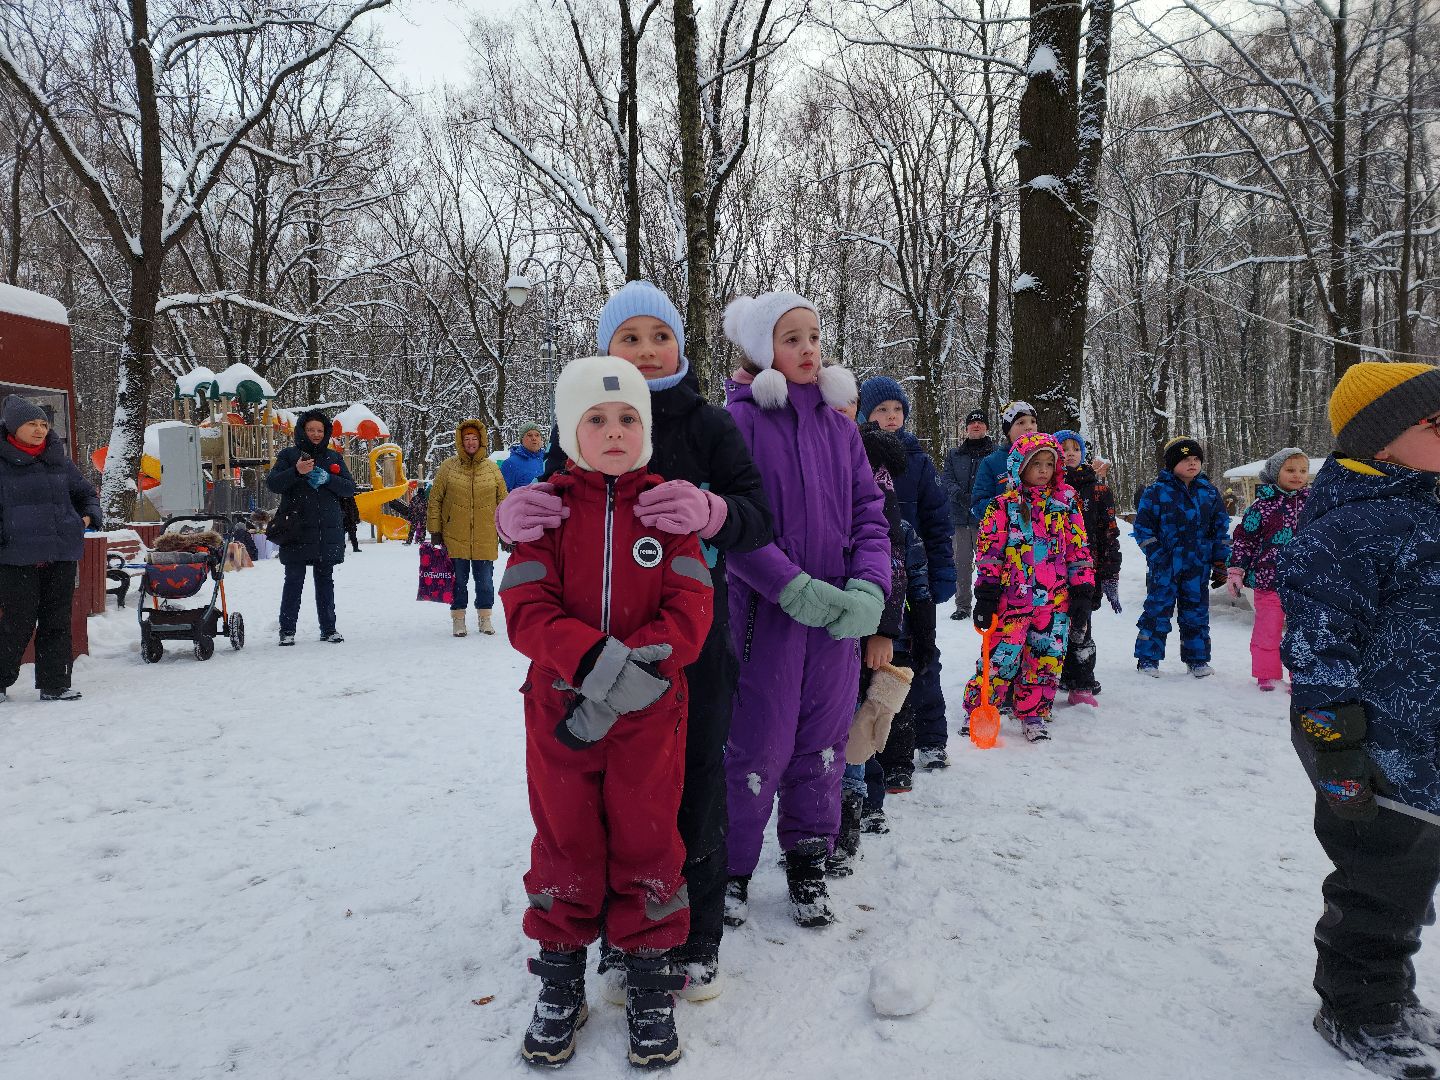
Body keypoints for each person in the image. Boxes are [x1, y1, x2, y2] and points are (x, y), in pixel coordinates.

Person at [500, 279, 773, 999]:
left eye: (661, 337)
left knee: (690, 789)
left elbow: (758, 514)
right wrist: (512, 520)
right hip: (584, 660)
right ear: (606, 349)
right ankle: (624, 942)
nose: (648, 352)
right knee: (602, 802)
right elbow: (553, 510)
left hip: (684, 644)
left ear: (681, 345)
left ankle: (695, 934)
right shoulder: (587, 412)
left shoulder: (711, 425)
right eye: (630, 339)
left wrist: (712, 511)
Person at [501, 354, 713, 1070]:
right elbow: (526, 609)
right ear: (571, 429)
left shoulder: (670, 513)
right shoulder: (544, 515)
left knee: (650, 839)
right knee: (565, 838)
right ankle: (560, 979)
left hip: (651, 715)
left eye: (628, 418)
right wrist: (590, 661)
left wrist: (635, 670)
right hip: (561, 715)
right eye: (596, 418)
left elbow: (691, 609)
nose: (614, 430)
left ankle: (651, 982)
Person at [1279, 362, 1440, 1079]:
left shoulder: (1430, 509)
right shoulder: (1345, 532)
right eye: (1435, 426)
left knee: (1412, 880)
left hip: (1428, 750)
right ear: (1381, 443)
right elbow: (1317, 656)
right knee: (1375, 885)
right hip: (1371, 752)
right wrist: (1337, 756)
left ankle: (1391, 992)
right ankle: (1355, 1007)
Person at [717, 291, 890, 930]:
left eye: (814, 336)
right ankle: (732, 870)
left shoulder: (841, 430)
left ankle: (808, 861)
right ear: (763, 350)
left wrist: (870, 589)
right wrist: (787, 586)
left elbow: (870, 517)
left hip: (837, 624)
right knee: (756, 746)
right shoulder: (736, 424)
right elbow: (729, 526)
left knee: (822, 743)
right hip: (764, 619)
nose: (809, 349)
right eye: (792, 338)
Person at [966, 433, 1094, 743]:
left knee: (1046, 658)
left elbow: (1079, 550)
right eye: (1035, 463)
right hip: (1012, 601)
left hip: (1053, 601)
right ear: (1018, 466)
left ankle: (1033, 712)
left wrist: (1082, 590)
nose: (1043, 470)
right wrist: (985, 595)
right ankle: (982, 707)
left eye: (1049, 463)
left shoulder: (1065, 504)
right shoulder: (1002, 506)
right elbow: (989, 553)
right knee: (1001, 658)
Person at [858, 377, 956, 770]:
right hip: (876, 574)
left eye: (897, 409)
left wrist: (943, 573)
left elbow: (937, 521)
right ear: (866, 414)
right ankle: (888, 744)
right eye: (882, 410)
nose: (891, 417)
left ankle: (932, 738)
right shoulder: (858, 454)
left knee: (924, 656)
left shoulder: (918, 459)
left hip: (916, 579)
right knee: (885, 661)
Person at [842, 421, 932, 845]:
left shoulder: (878, 481)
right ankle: (829, 812)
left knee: (867, 717)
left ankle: (862, 803)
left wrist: (885, 630)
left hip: (871, 622)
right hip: (824, 614)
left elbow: (894, 564)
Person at [0, 394, 100, 702]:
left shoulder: (58, 459)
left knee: (57, 620)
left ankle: (55, 683)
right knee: (18, 624)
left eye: (44, 424)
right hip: (16, 556)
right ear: (14, 425)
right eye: (32, 423)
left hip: (60, 552)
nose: (40, 430)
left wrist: (85, 518)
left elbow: (86, 494)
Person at [1133, 437, 1230, 678]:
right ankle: (1148, 659)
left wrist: (1220, 561)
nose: (1192, 463)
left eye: (1196, 459)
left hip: (1197, 565)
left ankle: (1197, 659)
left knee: (1195, 613)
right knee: (1157, 612)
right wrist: (1156, 554)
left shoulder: (1209, 492)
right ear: (1172, 464)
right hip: (1165, 566)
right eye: (1185, 459)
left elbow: (1220, 528)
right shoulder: (1156, 492)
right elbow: (1143, 528)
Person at [265, 409, 357, 646]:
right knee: (294, 579)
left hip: (327, 530)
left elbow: (349, 488)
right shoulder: (288, 455)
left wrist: (328, 479)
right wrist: (297, 471)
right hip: (295, 529)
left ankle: (328, 628)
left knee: (325, 580)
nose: (316, 434)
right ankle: (287, 630)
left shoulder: (333, 458)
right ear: (302, 431)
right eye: (311, 430)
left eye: (320, 430)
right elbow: (273, 484)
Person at [1228, 447, 1310, 692]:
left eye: (1303, 471)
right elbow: (1245, 539)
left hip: (1305, 581)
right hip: (1268, 578)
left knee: (1303, 631)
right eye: (1290, 470)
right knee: (1268, 629)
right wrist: (1236, 570)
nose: (1297, 475)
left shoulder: (1314, 502)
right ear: (1276, 472)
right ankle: (1267, 674)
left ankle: (1302, 676)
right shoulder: (1262, 505)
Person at [1054, 429, 1121, 706]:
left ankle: (1081, 681)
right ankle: (1059, 674)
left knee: (1081, 627)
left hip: (1086, 571)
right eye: (1064, 448)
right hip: (1054, 571)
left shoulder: (1097, 489)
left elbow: (1109, 532)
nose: (1070, 453)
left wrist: (1109, 572)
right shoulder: (1049, 487)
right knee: (1055, 626)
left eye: (1076, 448)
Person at [427, 420, 508, 637]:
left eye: (474, 439)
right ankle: (459, 619)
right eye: (467, 439)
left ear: (481, 441)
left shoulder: (492, 469)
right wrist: (435, 529)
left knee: (485, 581)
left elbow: (503, 502)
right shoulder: (448, 467)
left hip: (485, 535)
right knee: (457, 581)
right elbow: (435, 499)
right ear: (460, 442)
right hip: (455, 535)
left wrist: (506, 532)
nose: (471, 443)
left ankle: (485, 617)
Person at [942, 409, 995, 621]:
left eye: (980, 423)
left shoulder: (995, 455)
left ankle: (990, 603)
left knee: (989, 564)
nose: (976, 426)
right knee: (961, 565)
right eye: (972, 423)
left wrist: (981, 502)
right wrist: (961, 497)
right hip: (960, 519)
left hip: (986, 520)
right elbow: (946, 480)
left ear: (986, 428)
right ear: (966, 428)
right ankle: (963, 606)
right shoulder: (954, 455)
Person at [970, 400, 1040, 524]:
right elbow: (977, 507)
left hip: (1044, 536)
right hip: (1009, 537)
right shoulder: (992, 462)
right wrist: (1007, 502)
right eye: (1021, 422)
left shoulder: (1047, 456)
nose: (1029, 427)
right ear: (1008, 430)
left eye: (1033, 422)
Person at [500, 422, 548, 491]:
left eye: (537, 435)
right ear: (522, 440)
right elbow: (503, 494)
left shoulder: (548, 459)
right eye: (529, 435)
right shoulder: (510, 463)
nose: (534, 438)